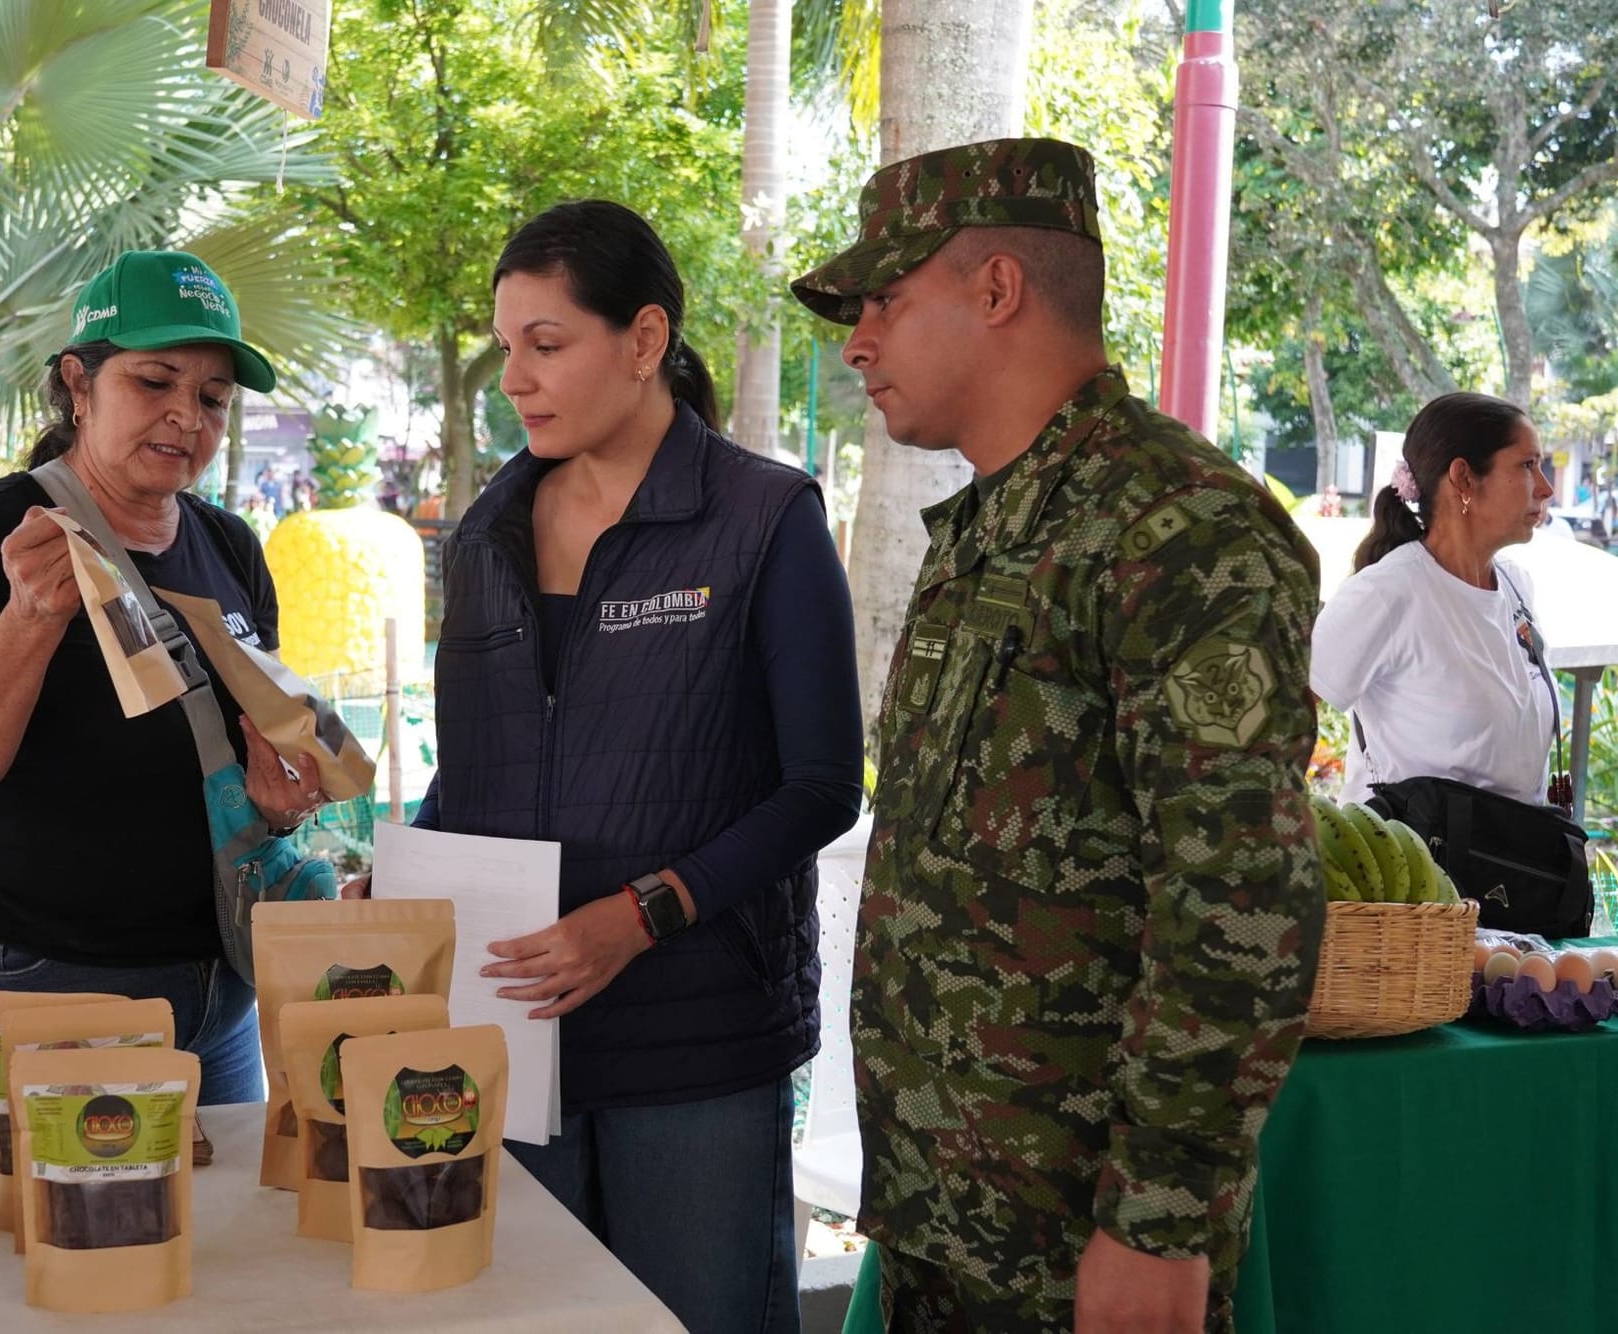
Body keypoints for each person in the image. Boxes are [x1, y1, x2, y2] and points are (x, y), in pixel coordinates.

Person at [790, 139, 1324, 1333]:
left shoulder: (1173, 527)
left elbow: (1238, 904)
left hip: (1073, 1242)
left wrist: (1156, 1220)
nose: (857, 340)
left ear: (996, 290)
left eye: (884, 298)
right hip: (947, 1214)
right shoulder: (987, 526)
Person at [409, 199, 863, 1332]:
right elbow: (467, 776)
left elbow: (819, 785)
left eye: (546, 344)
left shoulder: (764, 519)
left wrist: (640, 914)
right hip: (508, 1029)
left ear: (645, 340)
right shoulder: (483, 536)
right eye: (506, 347)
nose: (514, 376)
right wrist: (404, 880)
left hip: (697, 1039)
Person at [0, 250, 331, 1114]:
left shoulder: (231, 546)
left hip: (219, 988)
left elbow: (242, 764)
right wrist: (29, 620)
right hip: (42, 980)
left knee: (211, 1245)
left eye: (211, 398)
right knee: (40, 1245)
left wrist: (282, 800)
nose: (185, 416)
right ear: (79, 383)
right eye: (154, 381)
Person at [1312, 392, 1558, 805]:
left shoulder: (1516, 587)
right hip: (1408, 864)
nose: (1546, 489)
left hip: (1511, 864)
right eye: (1528, 465)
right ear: (1463, 477)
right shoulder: (1387, 594)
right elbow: (1282, 717)